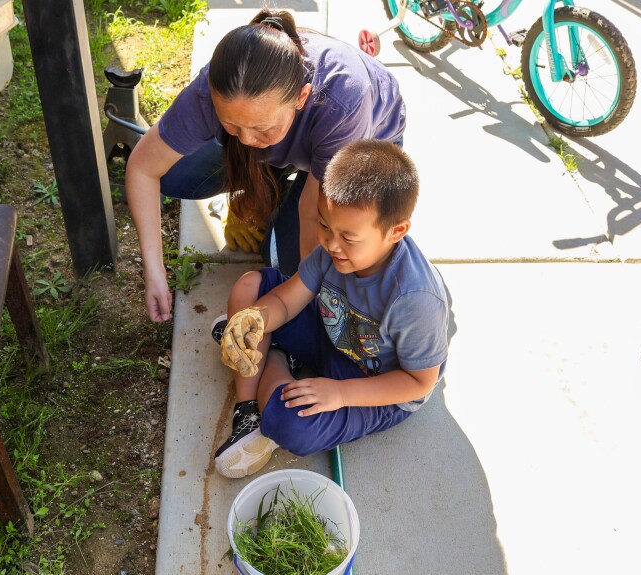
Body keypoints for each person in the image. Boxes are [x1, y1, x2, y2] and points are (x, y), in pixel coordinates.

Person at [125, 8, 406, 322]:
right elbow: (143, 167)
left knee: (286, 266)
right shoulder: (216, 86)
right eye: (231, 126)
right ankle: (272, 177)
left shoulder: (344, 99)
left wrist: (313, 305)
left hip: (361, 149)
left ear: (301, 97)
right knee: (177, 175)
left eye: (261, 128)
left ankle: (278, 187)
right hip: (296, 138)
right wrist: (155, 272)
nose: (245, 140)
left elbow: (314, 211)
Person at [211, 140, 448, 479]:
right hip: (333, 332)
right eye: (323, 225)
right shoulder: (334, 249)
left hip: (374, 381)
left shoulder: (416, 298)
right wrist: (257, 318)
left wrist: (340, 392)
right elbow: (284, 299)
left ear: (396, 231)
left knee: (291, 424)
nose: (331, 244)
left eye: (348, 237)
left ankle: (275, 355)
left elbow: (419, 382)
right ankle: (248, 409)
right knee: (249, 289)